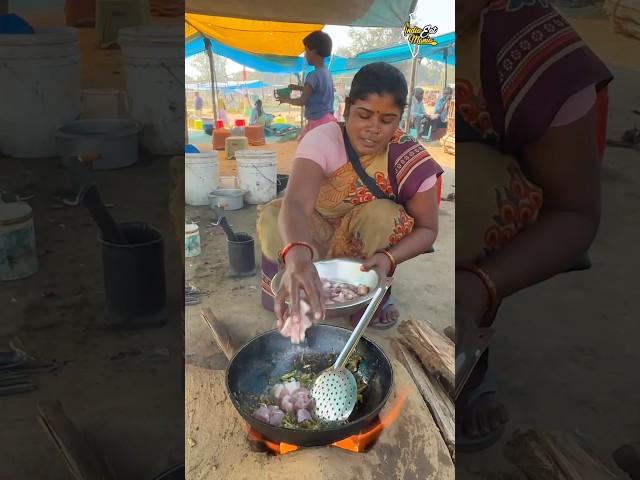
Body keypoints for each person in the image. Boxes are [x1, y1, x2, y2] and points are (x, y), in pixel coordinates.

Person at [454, 0, 613, 452]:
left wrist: (480, 284)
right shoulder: (423, 28)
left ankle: (472, 362)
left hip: (506, 195)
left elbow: (576, 213)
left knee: (460, 194)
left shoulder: (536, 46)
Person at [256, 62, 443, 339]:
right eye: (363, 115)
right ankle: (290, 276)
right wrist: (297, 256)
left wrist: (387, 258)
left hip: (365, 246)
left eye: (386, 119)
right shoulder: (323, 139)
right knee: (274, 216)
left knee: (383, 214)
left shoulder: (409, 159)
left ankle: (371, 291)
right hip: (313, 234)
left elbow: (428, 230)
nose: (373, 128)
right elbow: (295, 204)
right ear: (346, 109)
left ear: (400, 119)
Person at [277, 30, 336, 140]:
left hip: (317, 123)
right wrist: (298, 88)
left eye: (306, 51)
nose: (305, 55)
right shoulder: (326, 73)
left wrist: (286, 99)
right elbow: (318, 90)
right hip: (329, 121)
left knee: (308, 153)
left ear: (313, 51)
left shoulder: (312, 75)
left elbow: (302, 101)